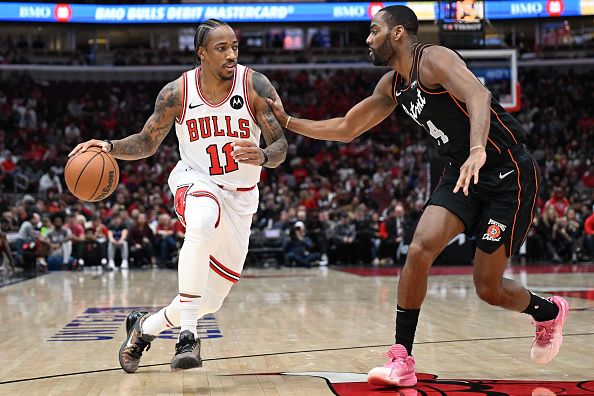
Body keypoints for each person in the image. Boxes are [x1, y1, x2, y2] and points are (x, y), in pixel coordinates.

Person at [267, 5, 568, 388]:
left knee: (488, 288)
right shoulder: (393, 85)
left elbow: (478, 94)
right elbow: (346, 128)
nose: (367, 38)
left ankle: (547, 311)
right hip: (460, 174)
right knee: (419, 249)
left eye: (373, 30)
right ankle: (402, 358)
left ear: (396, 34)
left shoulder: (434, 59)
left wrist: (478, 148)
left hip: (507, 173)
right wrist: (289, 122)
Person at [69, 18, 287, 372]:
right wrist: (108, 146)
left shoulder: (255, 85)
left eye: (234, 47)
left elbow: (280, 144)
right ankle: (188, 337)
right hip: (196, 179)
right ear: (201, 52)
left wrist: (263, 155)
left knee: (211, 300)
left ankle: (144, 328)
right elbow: (147, 141)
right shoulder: (177, 92)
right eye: (221, 48)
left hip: (242, 197)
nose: (231, 54)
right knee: (200, 221)